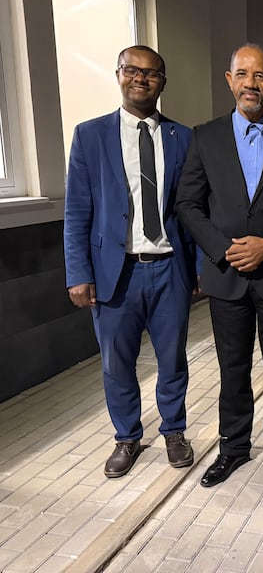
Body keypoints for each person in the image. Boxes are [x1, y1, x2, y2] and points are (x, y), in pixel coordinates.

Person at [175, 43, 263, 488]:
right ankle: (234, 447)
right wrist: (224, 249)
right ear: (229, 80)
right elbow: (188, 203)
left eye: (260, 76)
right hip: (226, 275)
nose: (251, 83)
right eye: (242, 74)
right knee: (233, 368)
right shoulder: (206, 136)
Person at [64, 45, 196, 478]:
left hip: (168, 268)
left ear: (163, 81)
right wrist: (79, 273)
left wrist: (195, 270)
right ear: (118, 74)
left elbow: (192, 209)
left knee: (173, 358)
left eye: (152, 73)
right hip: (114, 272)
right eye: (132, 70)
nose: (141, 79)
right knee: (116, 362)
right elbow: (77, 211)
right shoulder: (90, 135)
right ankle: (127, 436)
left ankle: (174, 430)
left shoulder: (183, 137)